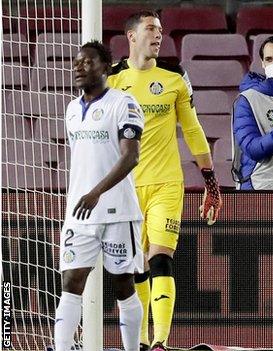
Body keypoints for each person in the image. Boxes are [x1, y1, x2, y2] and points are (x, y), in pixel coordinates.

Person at [107, 11, 222, 350]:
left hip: (166, 184)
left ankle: (160, 341)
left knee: (160, 258)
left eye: (160, 29)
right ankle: (141, 342)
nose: (158, 35)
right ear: (131, 36)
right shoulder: (112, 80)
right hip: (126, 186)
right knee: (135, 266)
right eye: (151, 29)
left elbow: (193, 129)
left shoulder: (174, 76)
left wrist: (210, 181)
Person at [54, 41, 145, 350]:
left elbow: (131, 157)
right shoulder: (70, 110)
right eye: (77, 62)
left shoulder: (124, 103)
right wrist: (85, 194)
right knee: (70, 283)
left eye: (88, 62)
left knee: (123, 285)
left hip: (118, 212)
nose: (79, 67)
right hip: (79, 212)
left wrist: (96, 192)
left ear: (106, 67)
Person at [232, 35, 273, 190]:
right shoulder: (247, 100)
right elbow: (252, 148)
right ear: (262, 63)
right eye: (269, 59)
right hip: (259, 187)